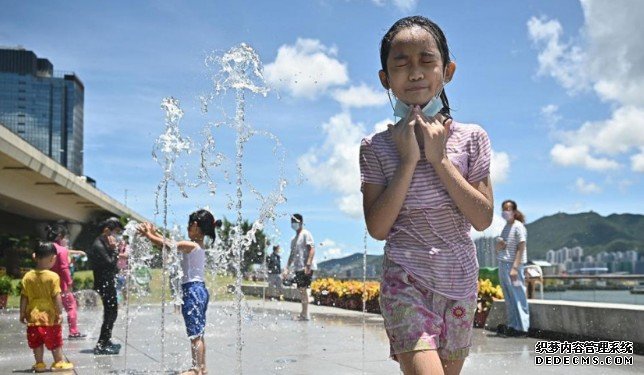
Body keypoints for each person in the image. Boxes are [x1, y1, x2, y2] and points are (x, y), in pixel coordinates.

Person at [360, 16, 494, 375]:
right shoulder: (376, 148)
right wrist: (408, 161)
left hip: (459, 281)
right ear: (385, 79)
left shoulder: (472, 138)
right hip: (405, 279)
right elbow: (378, 227)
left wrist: (439, 160)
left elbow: (482, 218)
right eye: (401, 63)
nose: (415, 72)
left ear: (447, 70)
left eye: (426, 60)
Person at [138, 209, 221, 375]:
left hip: (193, 290)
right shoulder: (198, 245)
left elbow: (167, 245)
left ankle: (197, 369)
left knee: (195, 334)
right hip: (199, 290)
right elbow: (169, 242)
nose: (187, 229)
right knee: (197, 332)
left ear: (195, 226)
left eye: (189, 225)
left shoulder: (191, 245)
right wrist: (156, 233)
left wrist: (148, 235)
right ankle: (201, 368)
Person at [20, 242, 74, 372]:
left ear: (35, 257)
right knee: (55, 340)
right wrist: (60, 312)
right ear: (52, 259)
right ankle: (58, 362)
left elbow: (24, 297)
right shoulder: (53, 276)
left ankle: (39, 364)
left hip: (33, 316)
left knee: (37, 342)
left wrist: (22, 313)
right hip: (50, 316)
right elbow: (56, 296)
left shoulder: (27, 276)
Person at [87, 217, 124, 355]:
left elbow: (113, 267)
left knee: (112, 312)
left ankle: (106, 340)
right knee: (110, 313)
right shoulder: (98, 244)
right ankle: (102, 344)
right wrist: (114, 249)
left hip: (107, 282)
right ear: (107, 230)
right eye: (116, 232)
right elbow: (109, 263)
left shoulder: (103, 243)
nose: (117, 235)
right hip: (103, 284)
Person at [46, 223, 88, 340]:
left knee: (51, 308)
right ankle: (73, 332)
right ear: (60, 236)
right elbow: (64, 268)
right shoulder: (61, 250)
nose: (66, 240)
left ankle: (48, 331)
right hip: (61, 285)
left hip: (46, 284)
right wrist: (69, 282)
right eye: (65, 237)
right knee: (71, 307)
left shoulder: (45, 248)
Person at [495, 199, 529, 337]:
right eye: (504, 209)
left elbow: (521, 247)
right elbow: (501, 248)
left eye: (508, 209)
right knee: (509, 297)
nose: (505, 212)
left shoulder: (518, 226)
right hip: (504, 264)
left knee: (518, 295)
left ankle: (523, 328)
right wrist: (499, 245)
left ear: (514, 211)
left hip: (514, 266)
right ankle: (513, 325)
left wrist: (515, 268)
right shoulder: (506, 227)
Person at [284, 213, 316, 321]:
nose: (294, 224)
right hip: (298, 268)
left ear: (301, 223)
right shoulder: (294, 239)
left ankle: (304, 315)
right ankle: (303, 313)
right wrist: (287, 268)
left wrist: (308, 264)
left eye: (295, 222)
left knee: (303, 290)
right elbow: (291, 255)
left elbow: (312, 249)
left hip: (306, 267)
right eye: (292, 222)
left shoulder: (306, 234)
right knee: (301, 290)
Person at [116, 235, 130, 303]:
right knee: (117, 288)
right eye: (119, 240)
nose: (120, 242)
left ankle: (125, 302)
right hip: (116, 270)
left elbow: (126, 255)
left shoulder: (127, 247)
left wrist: (116, 254)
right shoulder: (116, 247)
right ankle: (118, 303)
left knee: (124, 288)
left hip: (125, 270)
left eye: (121, 240)